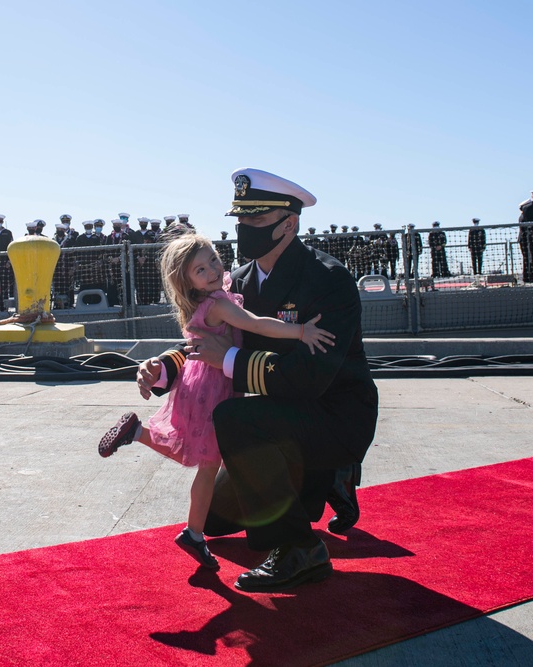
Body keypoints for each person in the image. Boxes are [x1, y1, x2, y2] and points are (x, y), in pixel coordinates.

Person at [136, 167, 378, 591]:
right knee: (212, 520)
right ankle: (321, 482)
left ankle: (301, 548)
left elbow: (310, 378)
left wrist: (229, 358)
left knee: (234, 418)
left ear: (290, 223)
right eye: (241, 219)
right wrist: (163, 370)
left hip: (331, 415)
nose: (245, 229)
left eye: (256, 220)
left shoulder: (327, 279)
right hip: (280, 418)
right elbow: (206, 338)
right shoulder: (239, 282)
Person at [99, 230, 334, 570]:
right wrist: (300, 331)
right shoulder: (219, 304)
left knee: (202, 460)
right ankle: (189, 522)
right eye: (201, 269)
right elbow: (257, 324)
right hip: (212, 386)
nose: (212, 269)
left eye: (212, 259)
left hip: (201, 383)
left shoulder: (209, 299)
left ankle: (193, 530)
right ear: (190, 283)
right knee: (206, 461)